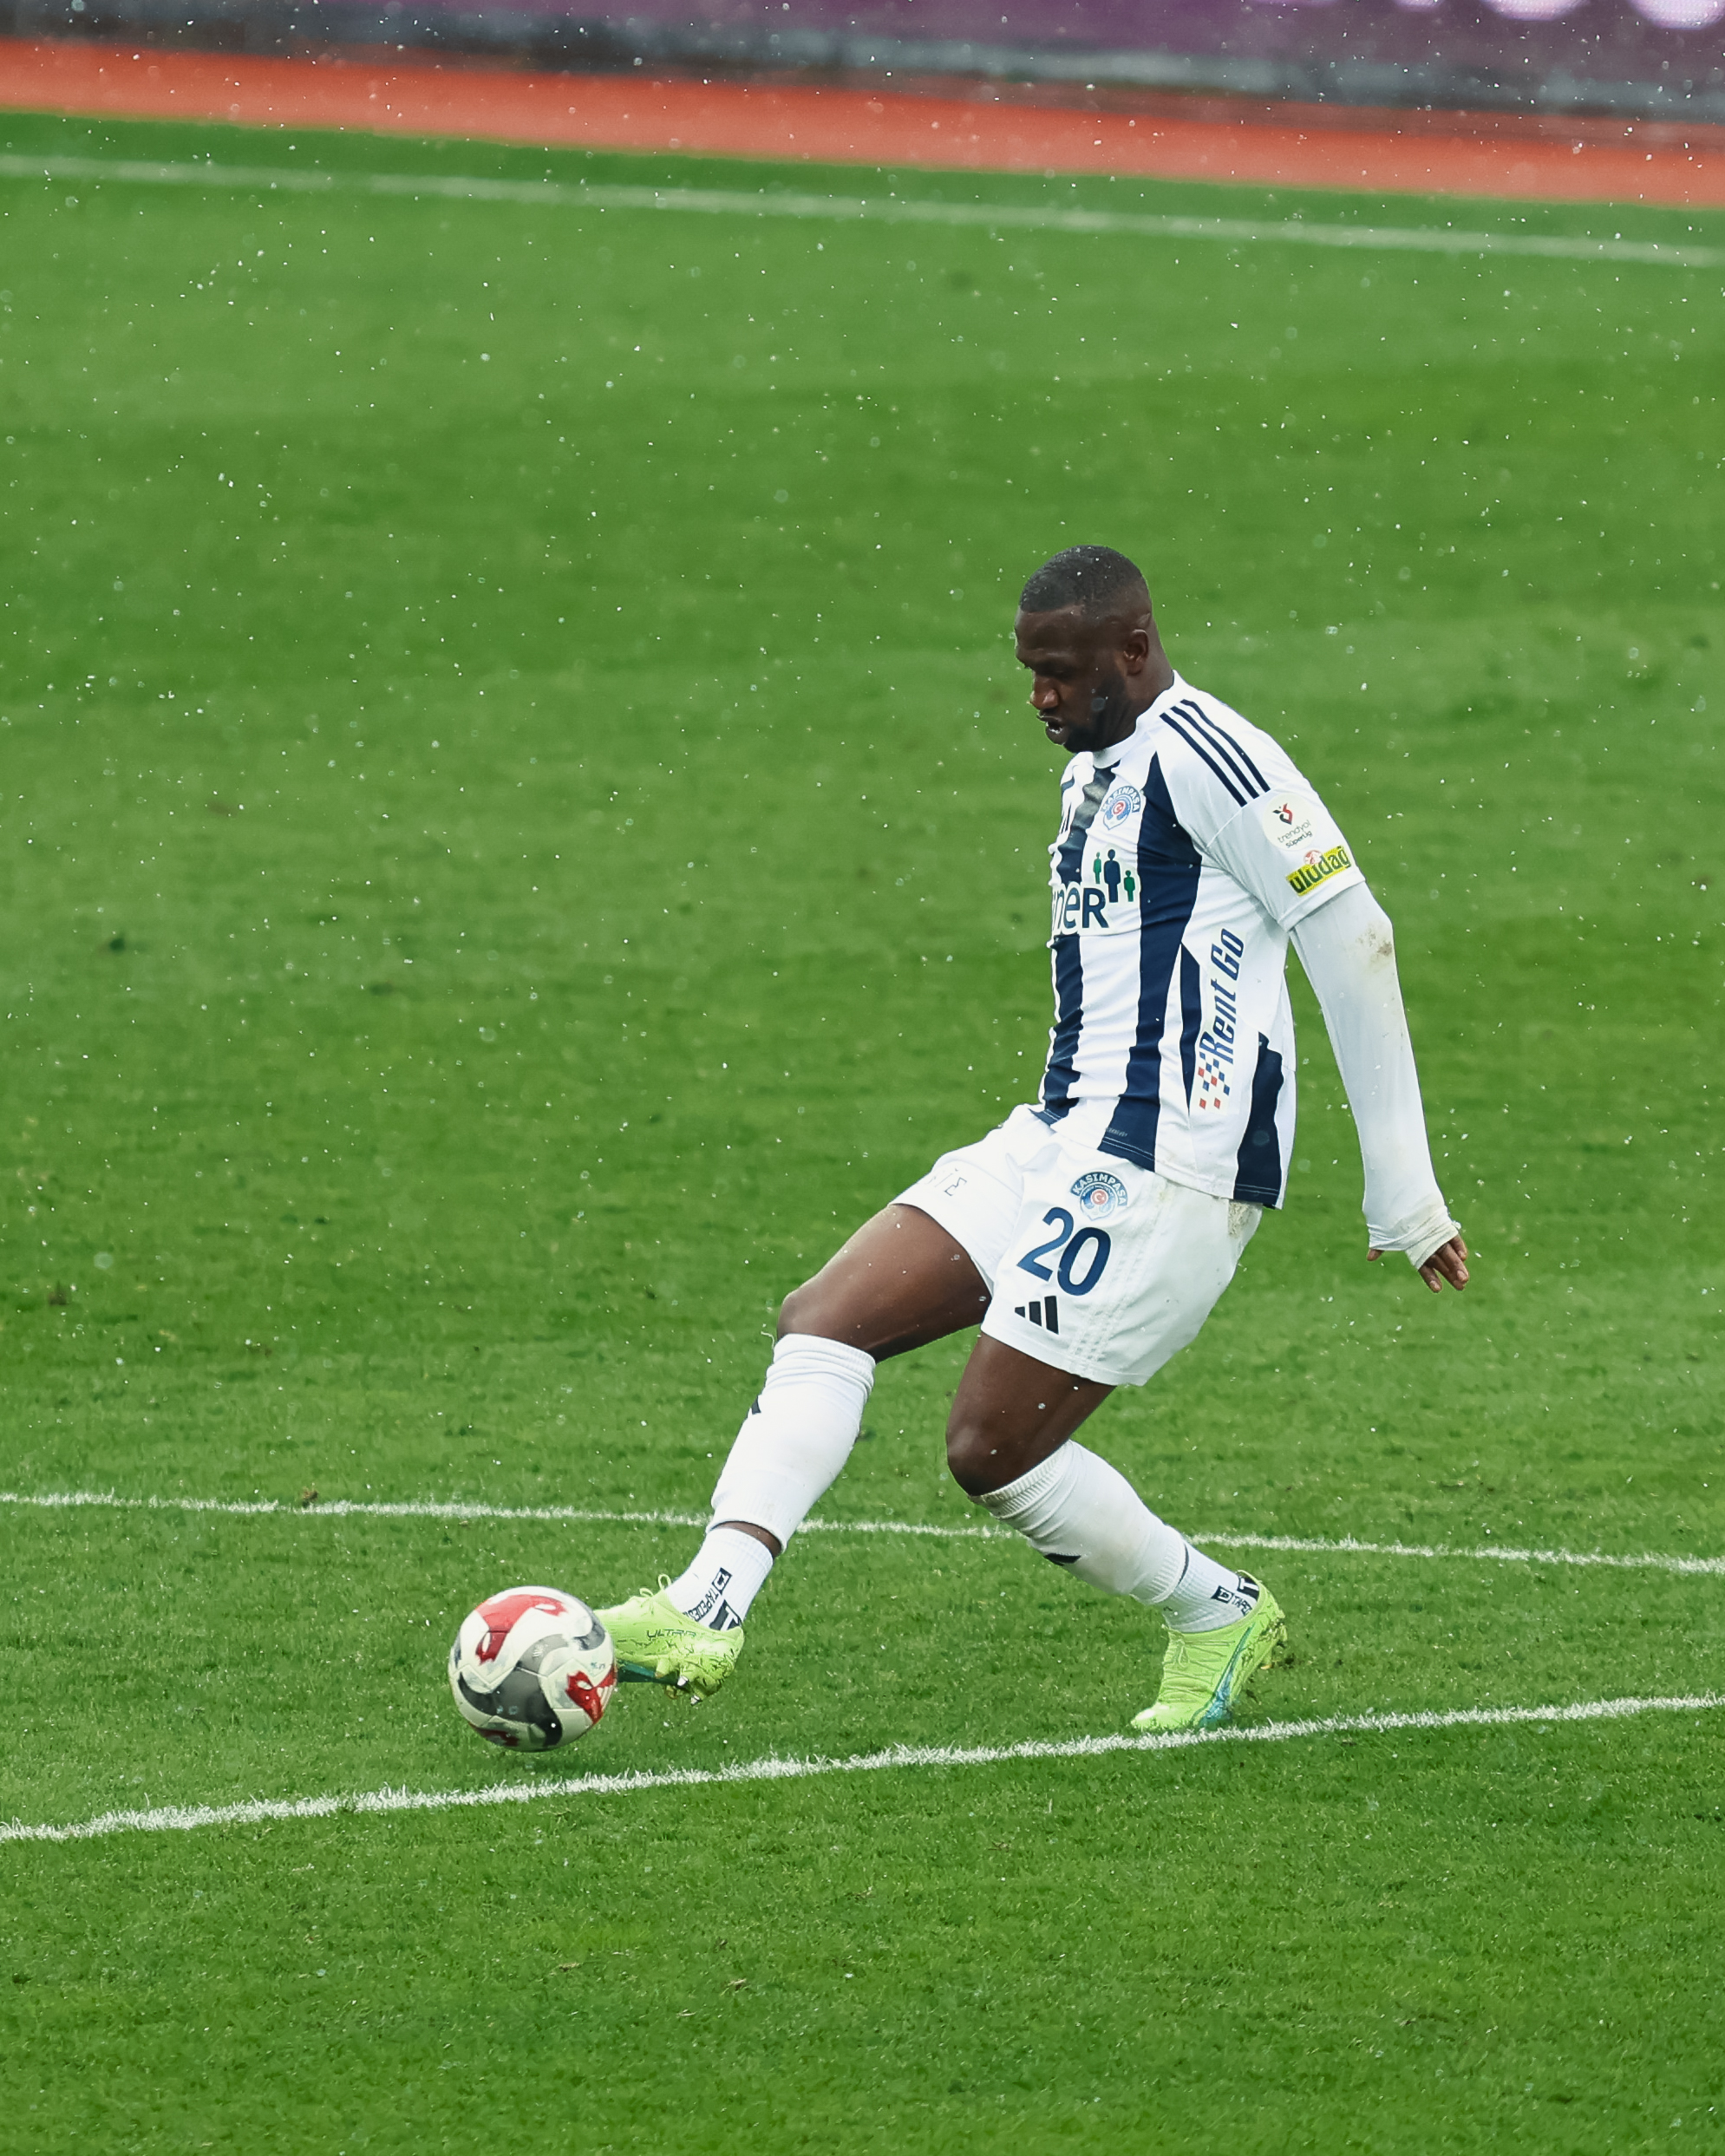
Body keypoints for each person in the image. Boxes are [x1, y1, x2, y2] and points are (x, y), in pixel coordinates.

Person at [599, 546, 1467, 1732]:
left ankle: (1217, 1610)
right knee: (825, 1317)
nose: (1040, 696)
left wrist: (1404, 1195)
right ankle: (707, 1605)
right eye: (1028, 672)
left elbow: (1353, 935)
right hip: (1060, 1132)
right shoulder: (1094, 769)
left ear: (1134, 648)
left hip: (1167, 1163)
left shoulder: (1218, 758)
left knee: (990, 1449)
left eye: (1060, 672)